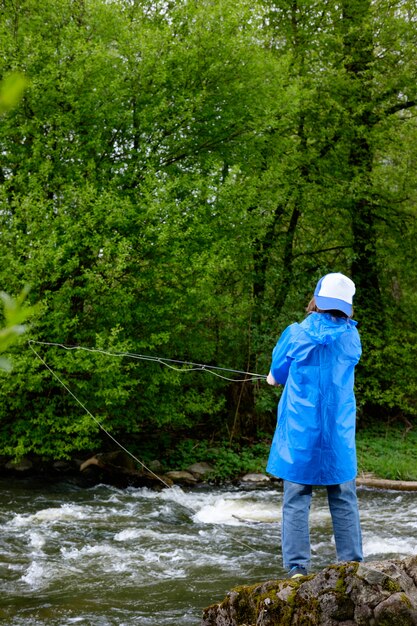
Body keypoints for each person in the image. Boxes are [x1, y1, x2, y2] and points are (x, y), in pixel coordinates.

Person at [266, 272, 363, 578]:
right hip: (337, 433)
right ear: (346, 307)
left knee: (296, 499)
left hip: (299, 430)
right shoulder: (352, 337)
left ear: (316, 300)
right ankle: (351, 566)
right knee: (344, 496)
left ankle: (297, 570)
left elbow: (276, 375)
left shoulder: (295, 334)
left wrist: (274, 376)